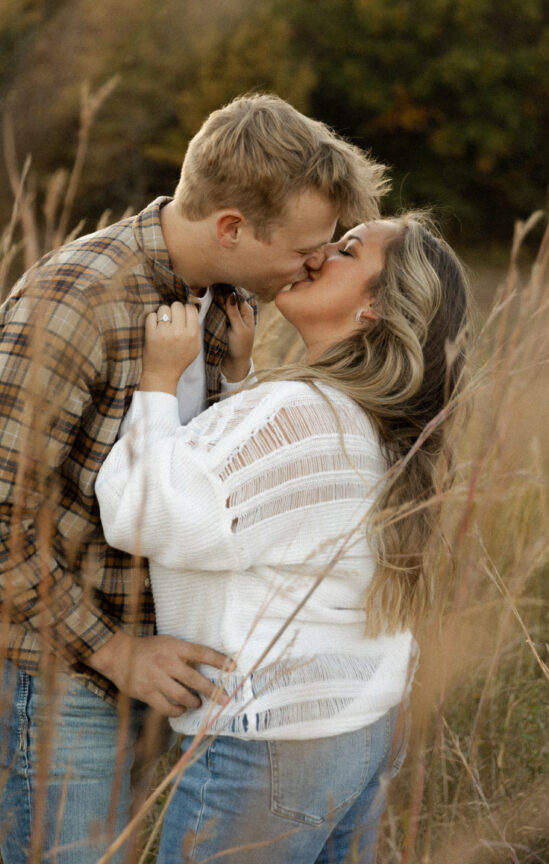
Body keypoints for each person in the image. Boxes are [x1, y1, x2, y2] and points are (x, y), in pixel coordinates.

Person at [0, 93, 389, 864]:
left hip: (161, 662)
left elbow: (198, 477)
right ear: (230, 228)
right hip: (61, 676)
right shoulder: (75, 299)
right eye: (306, 248)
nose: (316, 264)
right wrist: (115, 652)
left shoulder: (224, 300)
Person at [96, 211, 470, 863]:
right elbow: (268, 513)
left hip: (273, 744)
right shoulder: (363, 419)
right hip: (357, 725)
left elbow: (141, 511)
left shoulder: (301, 414)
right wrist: (238, 382)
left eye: (348, 250)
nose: (323, 251)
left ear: (375, 309)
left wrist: (158, 382)